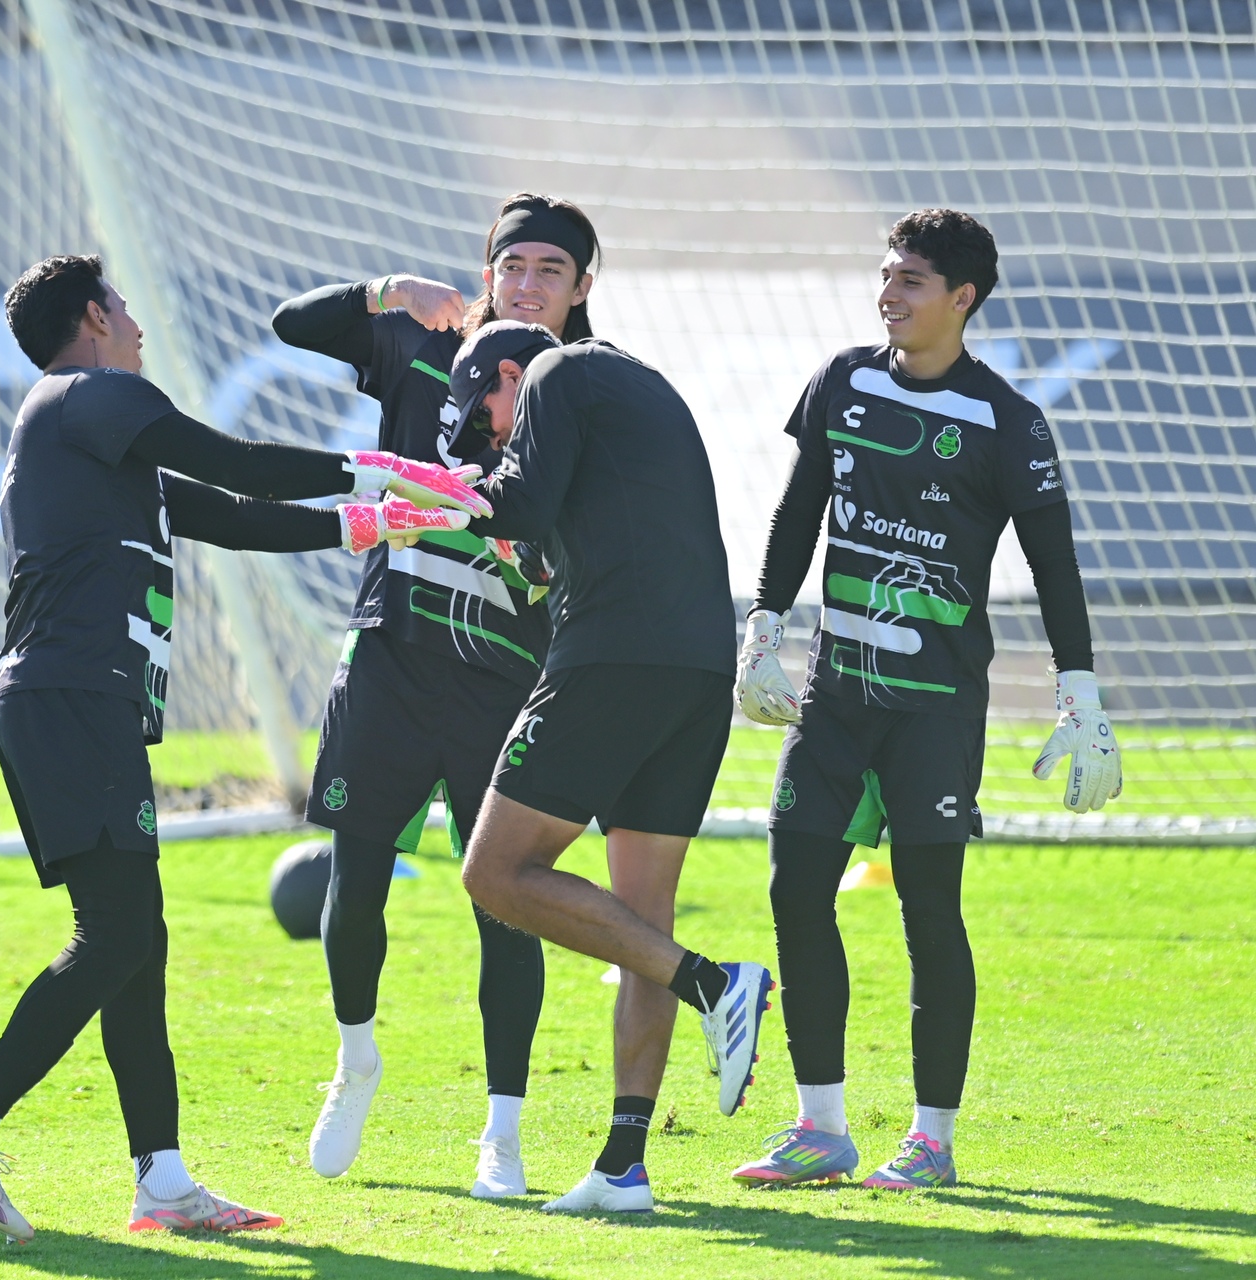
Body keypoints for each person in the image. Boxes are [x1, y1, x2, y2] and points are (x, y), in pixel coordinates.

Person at [0, 253, 485, 1242]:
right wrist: (386, 467)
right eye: (123, 307)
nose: (136, 325)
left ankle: (163, 1181)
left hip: (80, 700)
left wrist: (375, 521)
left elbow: (236, 516)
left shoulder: (94, 440)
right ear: (93, 318)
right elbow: (238, 463)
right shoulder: (89, 395)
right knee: (116, 935)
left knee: (138, 939)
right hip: (67, 697)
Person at [729, 208, 1120, 1192]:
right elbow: (798, 511)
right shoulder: (842, 380)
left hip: (935, 705)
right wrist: (764, 627)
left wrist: (1078, 687)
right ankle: (821, 1126)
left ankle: (932, 1140)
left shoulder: (1008, 420)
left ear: (962, 297)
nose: (887, 294)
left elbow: (1055, 564)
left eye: (909, 280)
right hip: (833, 694)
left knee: (930, 911)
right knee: (793, 888)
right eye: (885, 274)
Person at [270, 193, 597, 1197]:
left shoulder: (591, 385)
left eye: (550, 269)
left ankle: (503, 1133)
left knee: (506, 900)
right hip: (390, 655)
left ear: (583, 286)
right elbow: (292, 323)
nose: (527, 285)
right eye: (513, 265)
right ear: (487, 270)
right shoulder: (422, 344)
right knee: (356, 881)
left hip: (509, 677)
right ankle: (354, 1061)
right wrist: (384, 290)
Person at [453, 319, 775, 1216]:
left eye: (484, 420)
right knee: (641, 925)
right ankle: (624, 1166)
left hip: (613, 661)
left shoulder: (555, 371)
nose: (492, 439)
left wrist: (431, 496)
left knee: (494, 872)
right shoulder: (626, 386)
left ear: (507, 375)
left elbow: (517, 506)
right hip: (694, 669)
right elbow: (559, 536)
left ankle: (717, 984)